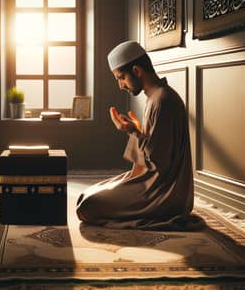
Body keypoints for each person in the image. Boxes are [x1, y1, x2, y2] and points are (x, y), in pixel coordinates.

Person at [76, 40, 202, 230]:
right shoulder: (156, 97)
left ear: (136, 71)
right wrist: (136, 133)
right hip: (155, 182)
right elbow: (152, 154)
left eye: (121, 78)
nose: (120, 86)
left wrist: (133, 132)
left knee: (87, 207)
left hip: (163, 192)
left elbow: (158, 162)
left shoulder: (162, 100)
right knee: (86, 195)